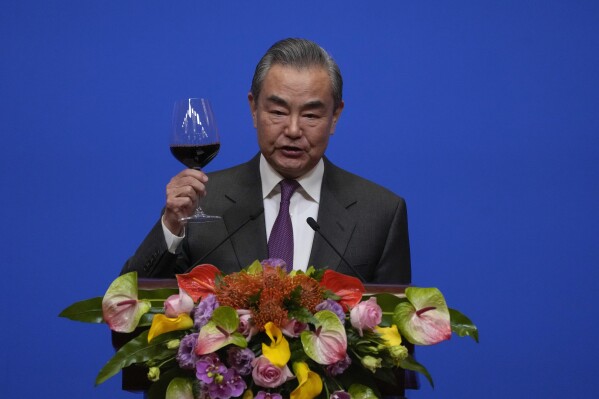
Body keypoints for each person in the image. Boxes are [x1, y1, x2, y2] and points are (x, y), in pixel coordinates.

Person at [121, 38, 411, 285]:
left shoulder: (381, 213)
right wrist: (172, 225)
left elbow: (397, 342)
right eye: (278, 112)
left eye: (311, 115)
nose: (294, 130)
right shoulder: (200, 203)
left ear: (335, 116)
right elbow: (127, 316)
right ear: (253, 109)